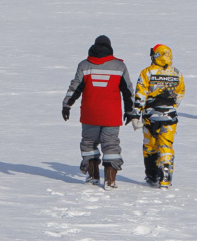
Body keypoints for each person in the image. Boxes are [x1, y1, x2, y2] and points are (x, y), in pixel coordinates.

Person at [60, 35, 137, 187]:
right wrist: (130, 111)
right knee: (111, 145)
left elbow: (75, 88)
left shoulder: (84, 65)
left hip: (90, 114)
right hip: (111, 115)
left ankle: (93, 176)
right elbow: (128, 91)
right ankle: (110, 180)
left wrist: (66, 105)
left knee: (88, 144)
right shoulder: (119, 66)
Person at [137, 44, 184, 187]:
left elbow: (140, 94)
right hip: (169, 116)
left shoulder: (147, 72)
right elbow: (180, 93)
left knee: (150, 146)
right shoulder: (176, 73)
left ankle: (152, 175)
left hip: (150, 116)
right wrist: (172, 106)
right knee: (166, 144)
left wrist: (136, 112)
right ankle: (165, 175)